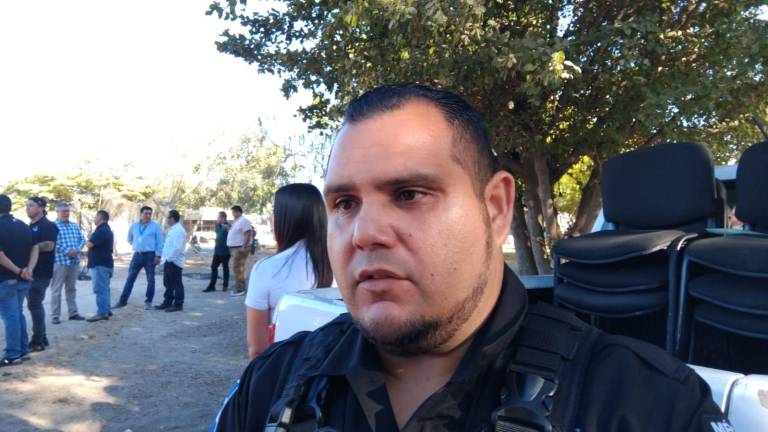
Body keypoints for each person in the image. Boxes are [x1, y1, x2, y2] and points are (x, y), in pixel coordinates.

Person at [212, 85, 730, 431]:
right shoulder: (274, 385)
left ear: (496, 208)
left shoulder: (645, 406)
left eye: (409, 194)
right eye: (345, 204)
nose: (364, 234)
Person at [244, 183, 333, 359]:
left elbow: (257, 347)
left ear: (286, 219)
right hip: (332, 367)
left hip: (285, 368)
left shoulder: (267, 269)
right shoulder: (340, 263)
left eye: (274, 212)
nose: (270, 220)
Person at [0, 194, 38, 366]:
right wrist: (28, 269)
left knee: (10, 316)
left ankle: (13, 354)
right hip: (22, 278)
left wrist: (20, 271)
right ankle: (22, 351)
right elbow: (35, 248)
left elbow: (0, 256)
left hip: (6, 279)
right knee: (17, 313)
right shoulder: (22, 224)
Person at [115, 206, 164, 310]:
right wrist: (137, 245)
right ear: (141, 214)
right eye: (146, 213)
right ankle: (122, 301)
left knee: (151, 280)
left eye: (150, 214)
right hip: (137, 255)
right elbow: (129, 238)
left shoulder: (155, 226)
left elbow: (160, 242)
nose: (148, 215)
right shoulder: (135, 225)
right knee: (130, 278)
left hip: (150, 256)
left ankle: (148, 302)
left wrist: (158, 255)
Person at [25, 197, 58, 351]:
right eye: (27, 205)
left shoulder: (48, 225)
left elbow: (50, 246)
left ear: (41, 208)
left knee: (34, 303)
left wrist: (34, 247)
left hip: (41, 272)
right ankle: (42, 338)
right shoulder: (30, 226)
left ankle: (37, 341)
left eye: (31, 205)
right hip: (30, 271)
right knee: (35, 304)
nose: (28, 208)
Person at [50, 202, 86, 324]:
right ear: (57, 212)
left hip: (74, 262)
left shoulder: (74, 225)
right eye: (63, 211)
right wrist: (67, 251)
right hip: (60, 262)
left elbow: (82, 239)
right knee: (56, 289)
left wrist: (77, 250)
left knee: (71, 288)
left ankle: (73, 313)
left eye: (67, 211)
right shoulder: (52, 226)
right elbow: (53, 243)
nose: (66, 213)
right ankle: (55, 316)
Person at [154, 210, 186, 313]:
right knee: (167, 283)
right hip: (169, 260)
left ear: (172, 219)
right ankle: (167, 301)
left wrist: (170, 259)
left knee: (177, 283)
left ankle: (178, 304)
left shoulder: (179, 230)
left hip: (174, 261)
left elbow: (177, 248)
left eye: (168, 218)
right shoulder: (173, 229)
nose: (166, 220)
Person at [85, 210, 114, 322]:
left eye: (95, 216)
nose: (94, 219)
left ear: (100, 217)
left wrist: (88, 239)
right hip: (105, 263)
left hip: (100, 264)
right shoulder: (106, 230)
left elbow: (89, 244)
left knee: (100, 289)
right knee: (105, 288)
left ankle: (102, 313)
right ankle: (106, 309)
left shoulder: (101, 230)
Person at [226, 205, 252, 297]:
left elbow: (247, 233)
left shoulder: (243, 220)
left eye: (233, 212)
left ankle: (240, 289)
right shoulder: (236, 221)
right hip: (234, 248)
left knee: (238, 268)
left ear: (238, 212)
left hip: (239, 248)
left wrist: (243, 246)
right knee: (237, 268)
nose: (232, 214)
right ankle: (239, 285)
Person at [204, 211, 231, 292]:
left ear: (223, 218)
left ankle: (225, 285)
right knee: (213, 267)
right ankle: (212, 286)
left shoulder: (229, 225)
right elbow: (219, 234)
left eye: (218, 217)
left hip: (225, 251)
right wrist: (223, 228)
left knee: (225, 268)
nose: (217, 219)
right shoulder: (218, 225)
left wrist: (227, 228)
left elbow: (231, 233)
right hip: (217, 251)